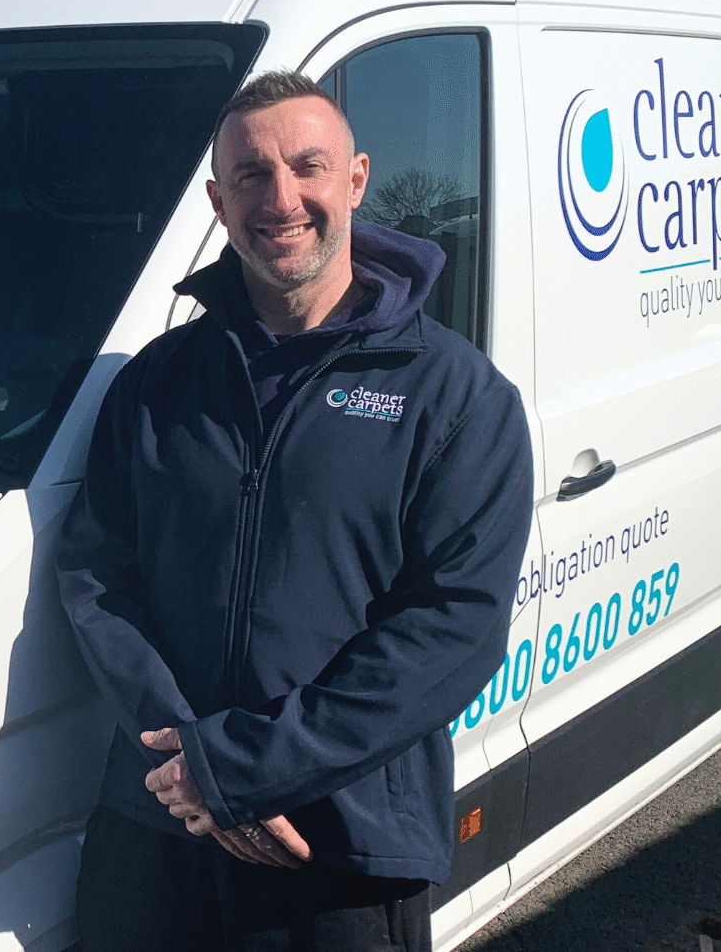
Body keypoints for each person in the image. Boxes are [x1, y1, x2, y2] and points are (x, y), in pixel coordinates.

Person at [54, 70, 533, 951]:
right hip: (156, 832)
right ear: (216, 200)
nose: (281, 198)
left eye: (307, 167)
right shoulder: (155, 384)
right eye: (250, 176)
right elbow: (97, 578)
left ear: (355, 179)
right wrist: (188, 763)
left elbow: (453, 627)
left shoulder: (455, 395)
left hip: (336, 838)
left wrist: (243, 769)